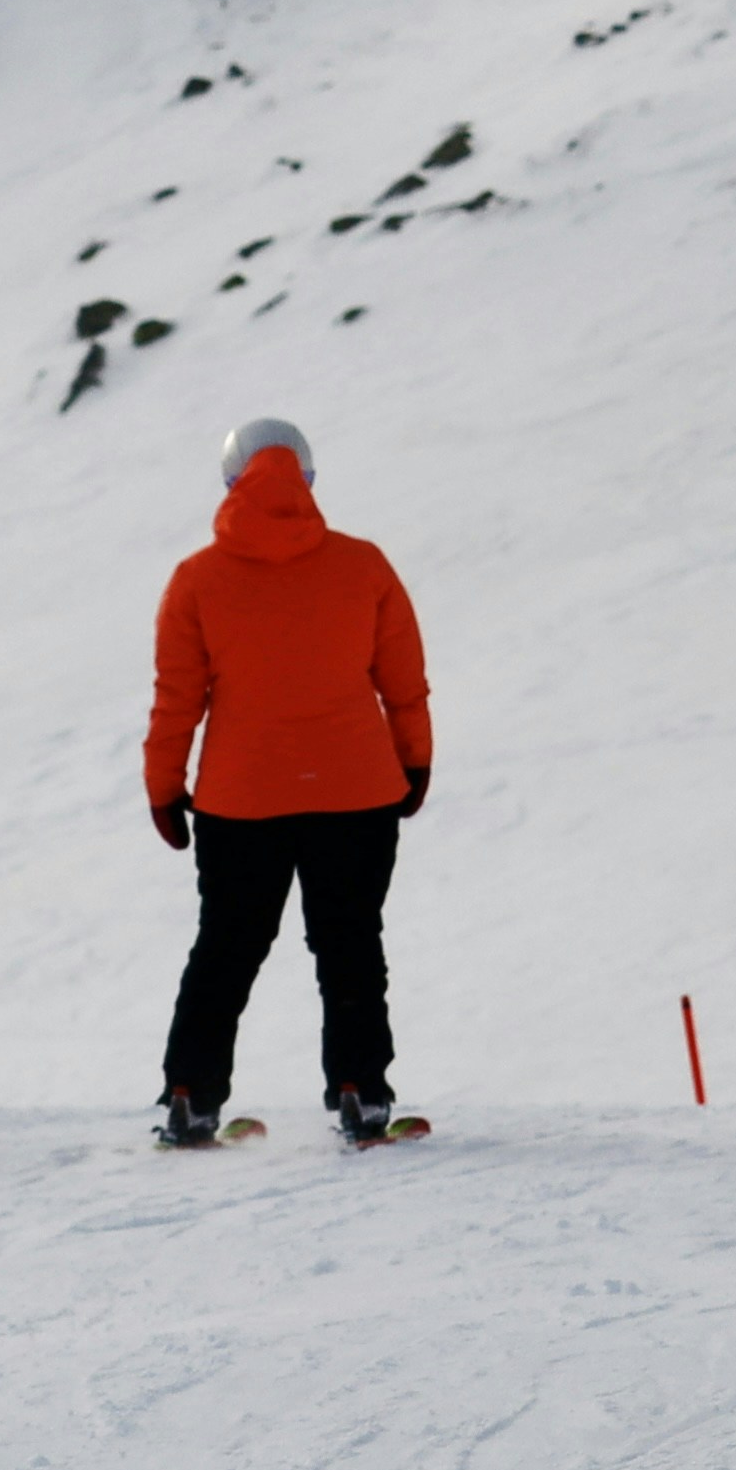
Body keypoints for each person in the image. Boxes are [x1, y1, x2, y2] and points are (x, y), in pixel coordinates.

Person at [145, 416, 435, 1146]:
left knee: (227, 947)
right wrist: (415, 760)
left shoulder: (196, 580)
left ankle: (191, 1097)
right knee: (349, 946)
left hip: (240, 803)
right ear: (307, 479)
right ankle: (362, 1094)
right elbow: (403, 684)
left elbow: (177, 699)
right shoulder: (364, 566)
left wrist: (163, 787)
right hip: (357, 794)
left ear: (229, 485)